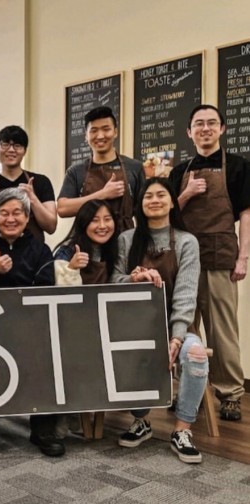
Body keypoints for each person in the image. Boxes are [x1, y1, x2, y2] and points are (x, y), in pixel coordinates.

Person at [112, 178, 208, 464]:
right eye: (148, 196)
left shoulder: (187, 241)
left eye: (161, 195)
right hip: (134, 326)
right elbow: (113, 280)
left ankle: (182, 429)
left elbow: (186, 295)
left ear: (172, 202)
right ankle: (141, 420)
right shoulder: (126, 239)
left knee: (196, 353)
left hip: (175, 325)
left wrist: (176, 337)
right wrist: (134, 279)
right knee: (125, 352)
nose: (154, 200)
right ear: (140, 204)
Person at [169, 104, 250, 422]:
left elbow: (246, 215)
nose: (205, 128)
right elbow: (166, 213)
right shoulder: (179, 172)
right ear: (189, 132)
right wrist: (187, 193)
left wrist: (243, 257)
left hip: (220, 256)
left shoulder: (239, 167)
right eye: (199, 123)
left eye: (211, 123)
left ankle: (230, 394)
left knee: (222, 331)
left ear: (222, 129)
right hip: (183, 261)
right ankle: (189, 392)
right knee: (185, 328)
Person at [0, 188, 54, 454]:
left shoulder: (41, 249)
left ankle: (42, 430)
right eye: (4, 213)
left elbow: (46, 287)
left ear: (27, 218)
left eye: (17, 213)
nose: (11, 219)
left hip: (29, 327)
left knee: (45, 359)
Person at [38, 199, 119, 457]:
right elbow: (56, 296)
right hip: (71, 325)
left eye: (107, 219)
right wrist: (70, 269)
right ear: (83, 224)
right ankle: (65, 411)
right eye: (95, 220)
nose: (102, 225)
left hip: (107, 323)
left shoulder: (116, 249)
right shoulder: (65, 250)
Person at [58, 106, 144, 232]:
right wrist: (102, 194)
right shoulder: (75, 171)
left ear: (115, 132)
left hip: (125, 239)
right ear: (86, 136)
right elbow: (62, 209)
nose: (100, 136)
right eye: (94, 130)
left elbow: (143, 211)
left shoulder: (135, 168)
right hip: (87, 239)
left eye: (106, 129)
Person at [0, 125, 57, 240]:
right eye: (5, 144)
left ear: (25, 151)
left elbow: (51, 226)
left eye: (17, 145)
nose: (11, 150)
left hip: (35, 250)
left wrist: (33, 199)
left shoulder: (41, 182)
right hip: (0, 249)